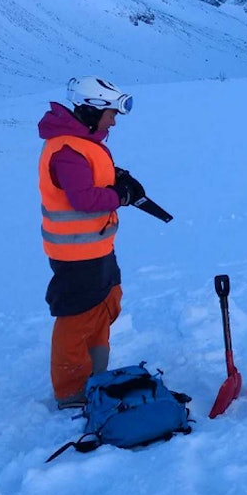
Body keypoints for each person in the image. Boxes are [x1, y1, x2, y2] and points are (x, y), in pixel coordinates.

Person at [37, 76, 145, 408]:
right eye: (111, 114)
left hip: (96, 246)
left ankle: (95, 375)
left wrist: (116, 177)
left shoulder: (82, 143)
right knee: (77, 317)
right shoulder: (67, 150)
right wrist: (120, 195)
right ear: (91, 110)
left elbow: (89, 180)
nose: (114, 122)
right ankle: (72, 391)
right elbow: (83, 198)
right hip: (76, 252)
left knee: (105, 305)